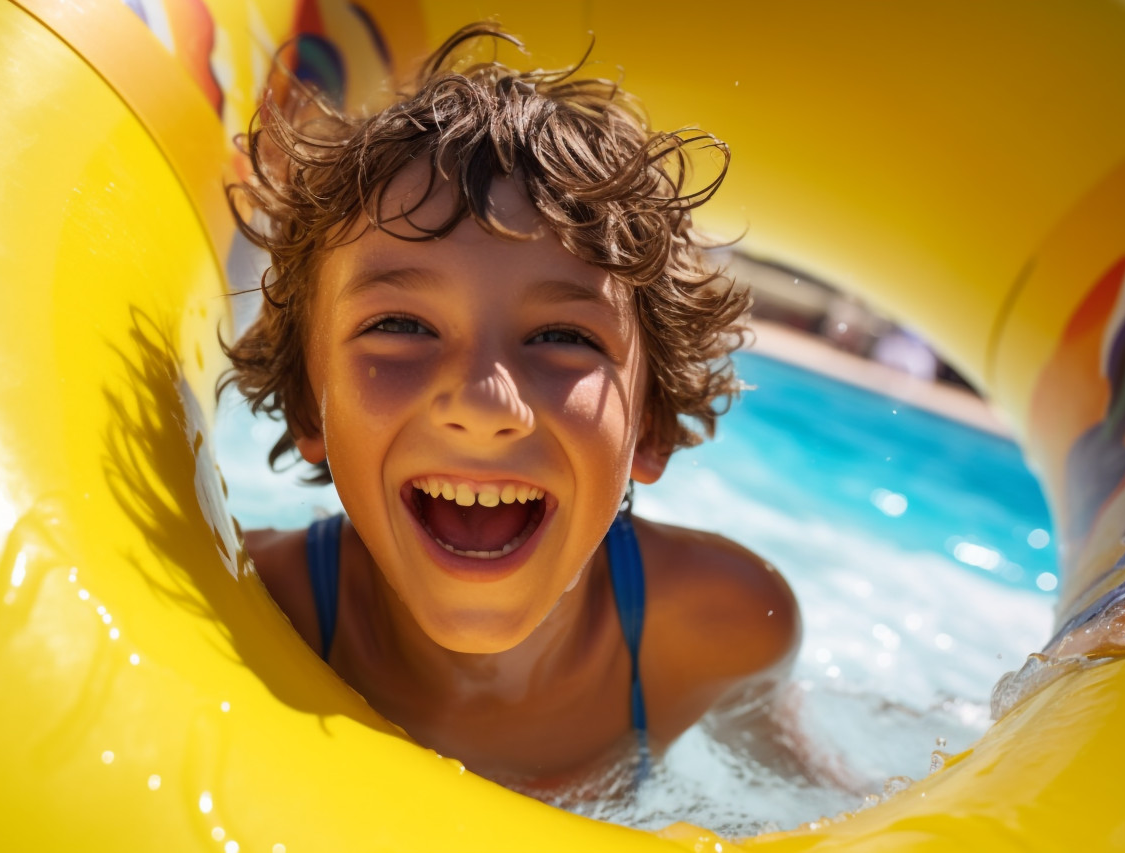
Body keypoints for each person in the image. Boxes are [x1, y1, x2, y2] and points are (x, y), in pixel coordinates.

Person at [221, 22, 800, 794]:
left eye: (562, 337)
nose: (483, 403)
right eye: (401, 326)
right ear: (307, 402)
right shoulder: (249, 608)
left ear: (650, 425)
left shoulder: (718, 631)